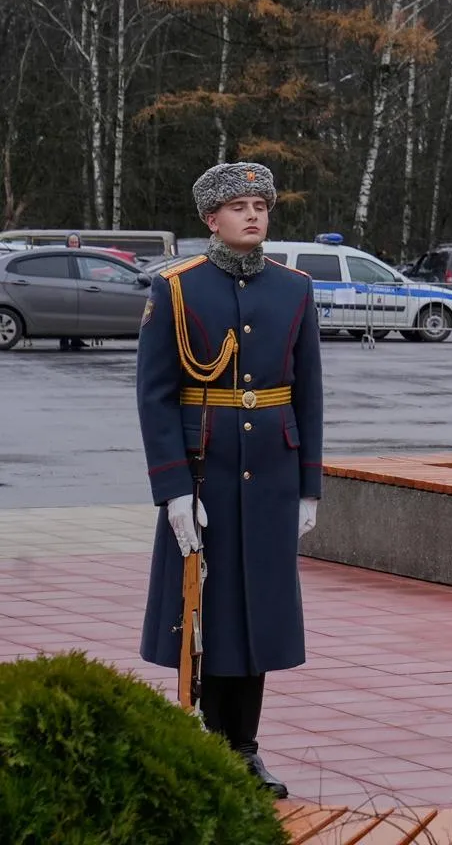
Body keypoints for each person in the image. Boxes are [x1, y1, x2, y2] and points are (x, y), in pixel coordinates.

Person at [137, 163, 323, 798]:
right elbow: (156, 396)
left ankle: (246, 749)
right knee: (207, 613)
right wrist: (172, 490)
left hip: (271, 475)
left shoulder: (295, 290)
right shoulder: (176, 289)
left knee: (259, 617)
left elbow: (309, 394)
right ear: (210, 219)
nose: (252, 215)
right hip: (204, 474)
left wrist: (307, 485)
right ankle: (211, 745)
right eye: (238, 206)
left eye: (260, 205)